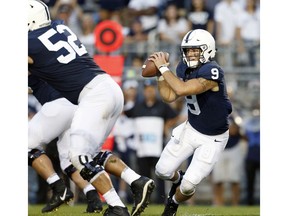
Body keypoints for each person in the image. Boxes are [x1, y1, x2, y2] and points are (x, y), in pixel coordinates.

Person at [28, 1, 155, 215]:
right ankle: (135, 181)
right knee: (87, 155)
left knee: (78, 156)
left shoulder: (29, 40)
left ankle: (116, 206)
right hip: (109, 88)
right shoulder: (60, 26)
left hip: (93, 95)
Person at [148, 29, 232, 215]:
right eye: (187, 50)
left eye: (195, 50)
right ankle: (178, 180)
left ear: (207, 49)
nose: (191, 54)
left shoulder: (212, 70)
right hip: (191, 128)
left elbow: (182, 89)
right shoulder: (183, 68)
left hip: (214, 137)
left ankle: (174, 201)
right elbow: (169, 96)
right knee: (162, 171)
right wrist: (159, 76)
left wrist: (163, 68)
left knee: (187, 188)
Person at [28, 74, 103, 213]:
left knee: (25, 145)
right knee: (68, 162)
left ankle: (58, 188)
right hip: (75, 106)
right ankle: (93, 197)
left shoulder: (34, 59)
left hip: (57, 104)